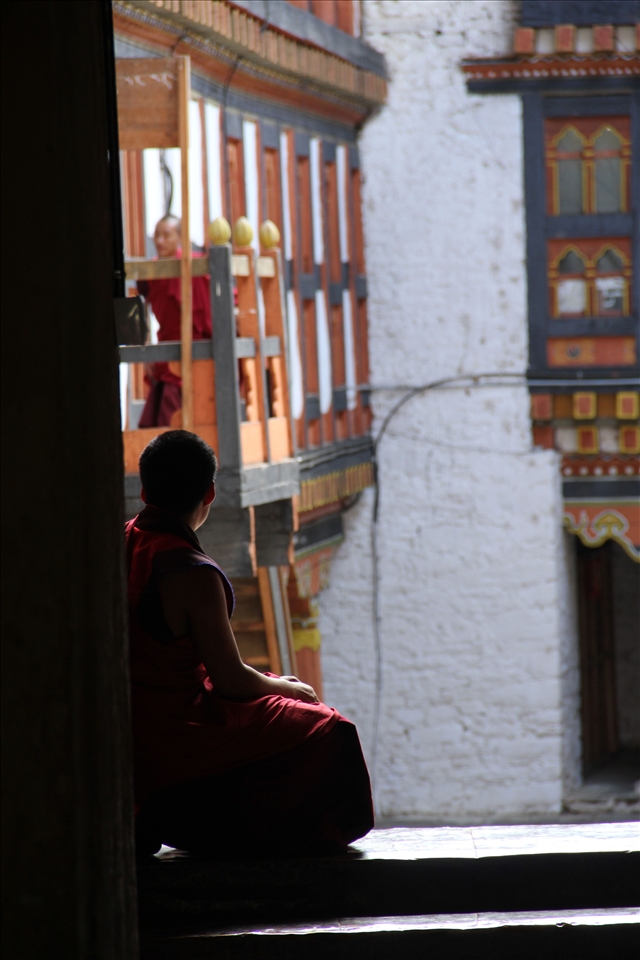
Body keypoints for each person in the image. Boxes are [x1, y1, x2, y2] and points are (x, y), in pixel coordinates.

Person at [126, 430, 373, 857]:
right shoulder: (187, 571)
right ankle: (245, 834)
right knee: (329, 727)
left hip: (127, 726)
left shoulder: (122, 540)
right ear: (211, 493)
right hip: (175, 731)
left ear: (145, 490)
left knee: (278, 691)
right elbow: (231, 681)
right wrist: (291, 689)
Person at [137, 216, 212, 428]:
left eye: (166, 235)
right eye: (157, 235)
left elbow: (208, 315)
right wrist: (146, 349)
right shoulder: (150, 271)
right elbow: (142, 307)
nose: (160, 241)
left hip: (193, 346)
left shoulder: (194, 265)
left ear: (180, 238)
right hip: (165, 345)